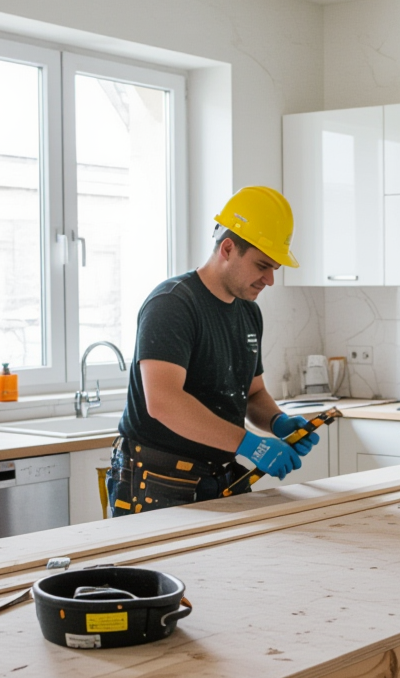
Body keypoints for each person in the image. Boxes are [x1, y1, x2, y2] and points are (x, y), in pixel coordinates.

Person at [107, 185, 319, 516]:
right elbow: (163, 402)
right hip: (158, 481)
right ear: (228, 248)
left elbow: (253, 393)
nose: (269, 280)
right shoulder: (172, 304)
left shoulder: (249, 312)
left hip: (219, 479)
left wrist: (277, 422)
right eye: (262, 265)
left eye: (274, 268)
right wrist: (250, 443)